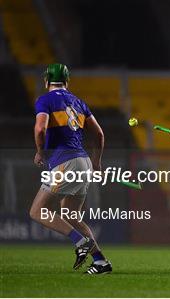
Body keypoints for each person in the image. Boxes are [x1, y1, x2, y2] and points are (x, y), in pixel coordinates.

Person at [30, 63, 112, 274]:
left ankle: (79, 241)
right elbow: (100, 135)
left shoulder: (45, 100)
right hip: (83, 161)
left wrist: (40, 152)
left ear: (46, 81)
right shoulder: (79, 102)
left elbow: (40, 128)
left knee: (38, 211)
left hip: (64, 162)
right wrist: (97, 162)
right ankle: (101, 262)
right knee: (71, 215)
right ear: (67, 81)